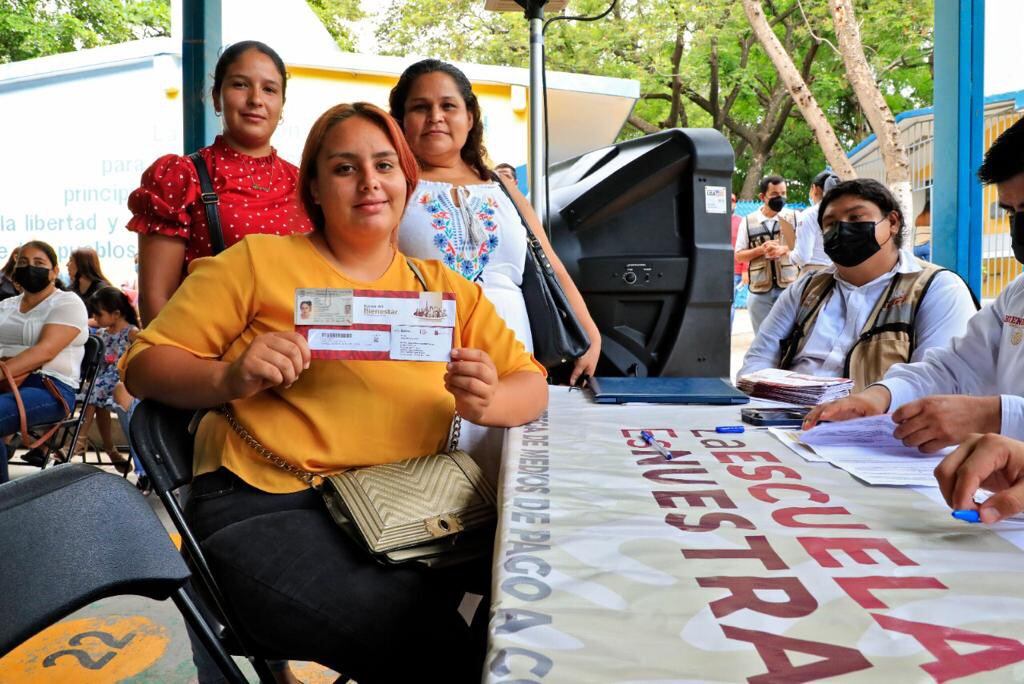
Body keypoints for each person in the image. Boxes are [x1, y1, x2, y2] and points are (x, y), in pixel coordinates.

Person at [121, 101, 548, 682]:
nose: (369, 182)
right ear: (315, 189)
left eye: (384, 166)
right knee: (440, 650)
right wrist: (229, 377)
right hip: (266, 506)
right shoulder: (255, 263)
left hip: (403, 510)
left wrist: (487, 401)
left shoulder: (444, 290)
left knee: (534, 600)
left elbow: (532, 385)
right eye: (345, 168)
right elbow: (145, 365)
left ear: (407, 180)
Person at [389, 58, 600, 483]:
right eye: (419, 107)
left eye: (448, 105)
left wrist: (589, 333)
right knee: (442, 486)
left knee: (514, 475)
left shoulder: (502, 187)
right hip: (433, 360)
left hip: (515, 356)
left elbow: (550, 265)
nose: (435, 117)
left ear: (470, 116)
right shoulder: (391, 186)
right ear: (399, 120)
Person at [803, 116, 1024, 452]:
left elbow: (988, 411)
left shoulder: (935, 286)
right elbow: (951, 368)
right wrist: (879, 396)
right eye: (1011, 212)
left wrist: (995, 415)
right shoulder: (1018, 295)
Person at [127, 40, 312, 325]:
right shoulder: (181, 175)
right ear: (216, 97)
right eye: (240, 85)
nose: (256, 99)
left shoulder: (306, 183)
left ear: (282, 105)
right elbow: (156, 300)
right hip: (211, 355)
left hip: (301, 357)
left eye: (269, 89)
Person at [739, 179, 977, 390]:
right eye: (830, 224)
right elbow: (756, 363)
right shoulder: (805, 290)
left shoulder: (937, 288)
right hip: (786, 425)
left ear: (893, 221)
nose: (842, 229)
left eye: (856, 218)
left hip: (881, 432)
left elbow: (935, 382)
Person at [0, 241, 87, 483]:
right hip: (7, 386)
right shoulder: (5, 306)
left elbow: (44, 352)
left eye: (39, 263)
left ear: (55, 271)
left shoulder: (67, 303)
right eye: (23, 263)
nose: (30, 268)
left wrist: (2, 371)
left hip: (49, 388)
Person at [78, 286, 139, 474]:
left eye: (99, 315)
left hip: (120, 383)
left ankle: (80, 439)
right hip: (102, 383)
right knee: (95, 392)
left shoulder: (131, 332)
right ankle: (109, 449)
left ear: (116, 314)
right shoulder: (103, 333)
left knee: (93, 392)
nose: (96, 319)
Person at [734, 175, 800, 333]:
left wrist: (783, 249)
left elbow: (804, 247)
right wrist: (760, 250)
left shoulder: (794, 217)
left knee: (791, 337)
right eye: (775, 195)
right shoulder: (748, 221)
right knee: (763, 338)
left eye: (783, 193)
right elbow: (739, 255)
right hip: (759, 291)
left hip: (790, 288)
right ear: (763, 197)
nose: (781, 198)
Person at [793, 170, 838, 275]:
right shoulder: (845, 212)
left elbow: (803, 256)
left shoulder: (809, 214)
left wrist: (789, 255)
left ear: (815, 188)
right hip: (838, 274)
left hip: (813, 274)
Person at [729, 193, 747, 324]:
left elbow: (746, 246)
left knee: (729, 304)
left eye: (732, 201)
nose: (730, 204)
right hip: (714, 270)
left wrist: (745, 270)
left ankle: (726, 336)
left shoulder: (741, 222)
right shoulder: (712, 222)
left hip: (735, 271)